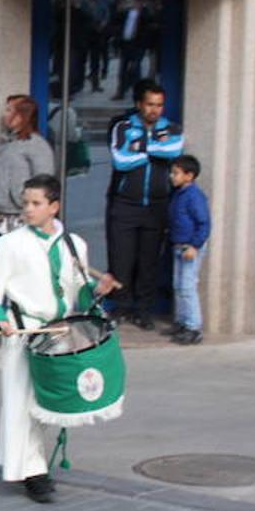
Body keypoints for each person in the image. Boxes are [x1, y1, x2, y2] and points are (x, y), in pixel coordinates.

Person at [0, 174, 118, 503]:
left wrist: (96, 290)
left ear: (54, 206)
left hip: (59, 332)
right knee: (20, 401)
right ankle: (32, 470)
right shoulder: (11, 243)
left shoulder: (74, 244)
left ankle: (34, 462)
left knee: (48, 399)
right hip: (24, 330)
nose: (28, 209)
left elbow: (77, 290)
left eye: (36, 203)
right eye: (25, 203)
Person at [107, 79, 184, 329]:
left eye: (159, 105)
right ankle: (120, 306)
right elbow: (120, 159)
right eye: (150, 104)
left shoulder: (171, 128)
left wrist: (140, 148)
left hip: (157, 205)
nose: (155, 110)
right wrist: (154, 150)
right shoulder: (123, 127)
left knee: (149, 261)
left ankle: (143, 310)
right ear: (139, 104)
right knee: (121, 259)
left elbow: (174, 150)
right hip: (125, 204)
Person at [0, 95, 54, 260]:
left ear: (22, 115)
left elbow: (45, 184)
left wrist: (26, 205)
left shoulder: (37, 146)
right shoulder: (8, 143)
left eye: (9, 110)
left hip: (18, 221)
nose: (4, 115)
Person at [167, 155, 210, 345]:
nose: (172, 176)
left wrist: (194, 245)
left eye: (176, 173)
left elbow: (204, 224)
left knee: (187, 287)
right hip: (179, 246)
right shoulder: (179, 194)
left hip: (189, 247)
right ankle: (182, 322)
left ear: (189, 176)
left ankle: (193, 327)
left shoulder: (194, 196)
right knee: (179, 286)